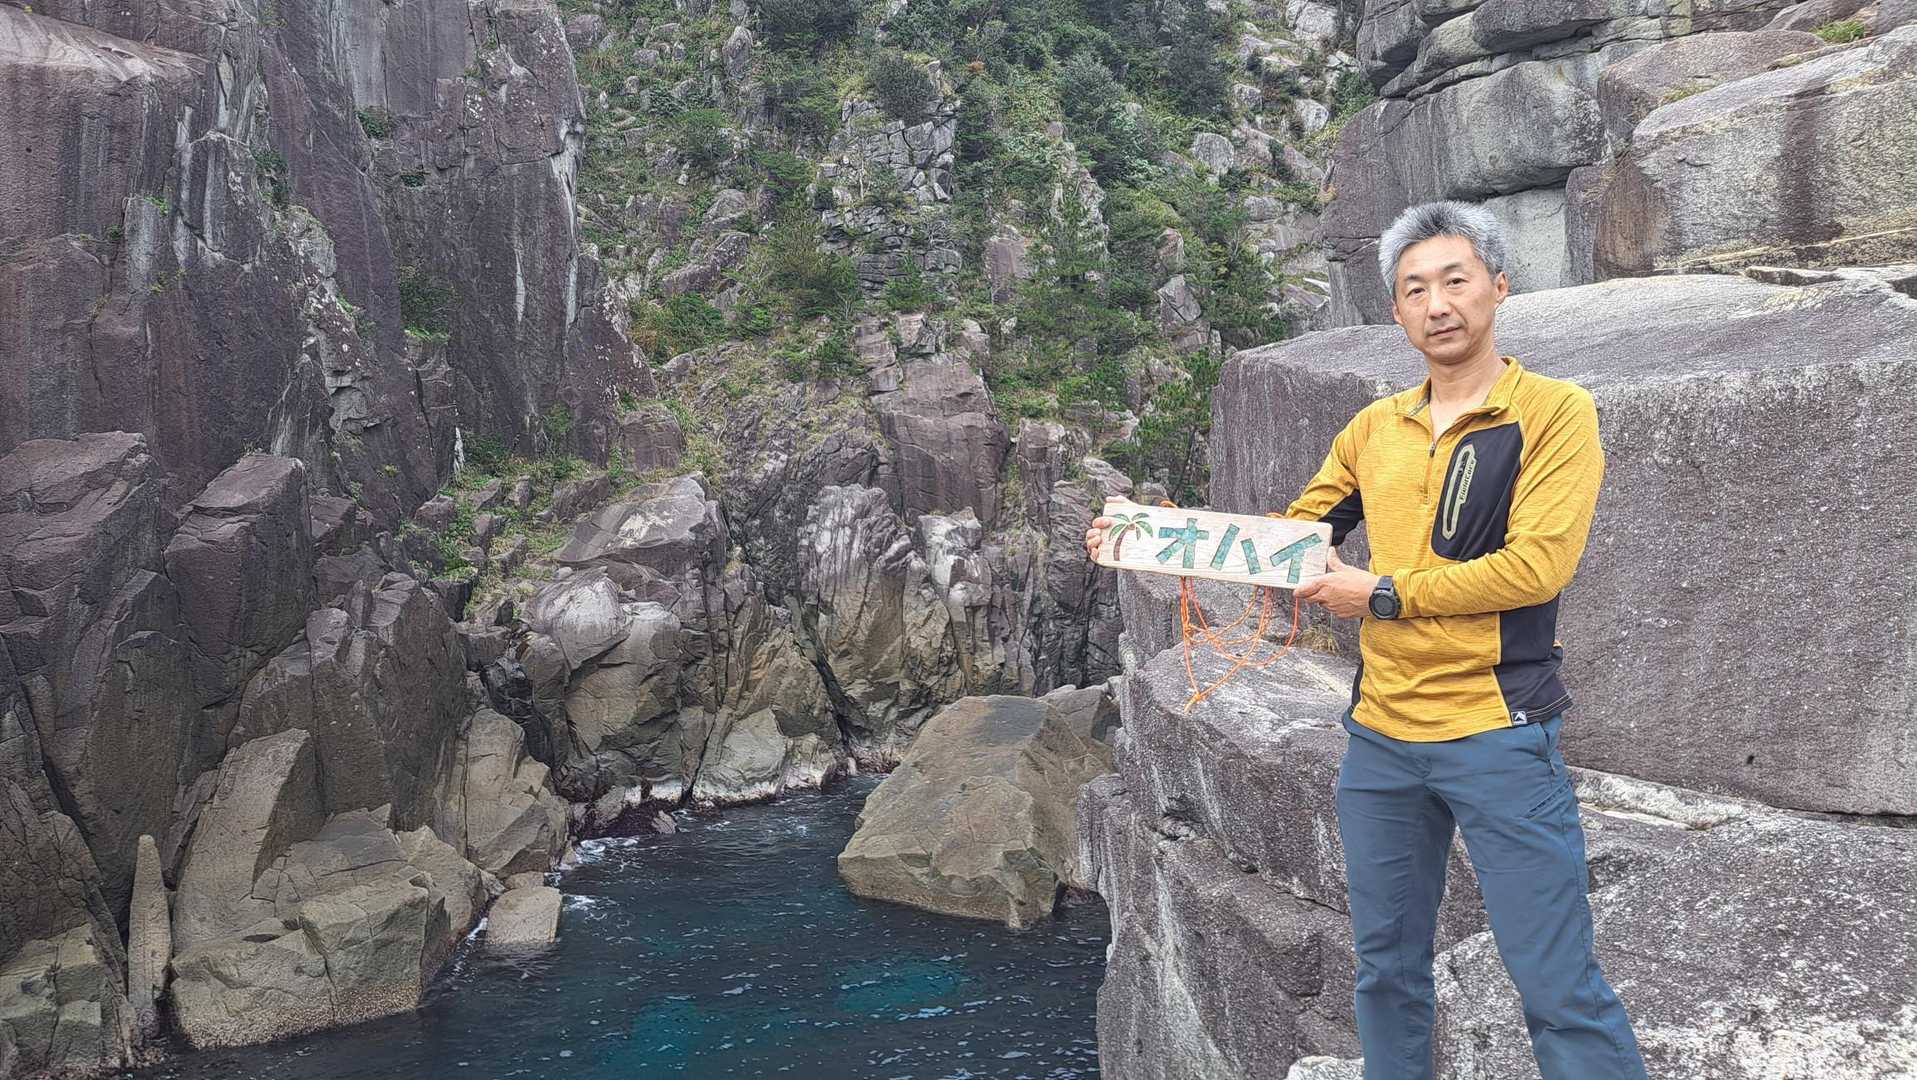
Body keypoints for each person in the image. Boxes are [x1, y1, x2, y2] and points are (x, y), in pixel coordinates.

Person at [1084, 201, 1648, 1080]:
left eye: (1454, 280)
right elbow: (1291, 538)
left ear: (1498, 286)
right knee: (1385, 969)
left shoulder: (1551, 413)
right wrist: (1154, 535)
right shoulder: (1372, 428)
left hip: (1496, 730)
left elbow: (1534, 569)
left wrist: (1377, 594)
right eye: (1414, 289)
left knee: (1554, 980)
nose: (1437, 304)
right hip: (1380, 740)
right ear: (1395, 310)